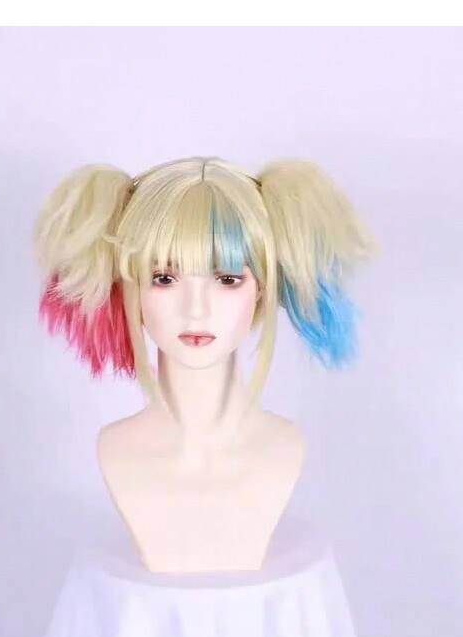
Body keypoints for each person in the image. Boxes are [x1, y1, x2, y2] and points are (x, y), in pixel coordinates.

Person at [32, 155, 379, 572]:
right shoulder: (116, 450)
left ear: (262, 288)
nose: (196, 309)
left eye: (228, 279)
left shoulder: (284, 448)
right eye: (164, 278)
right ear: (131, 287)